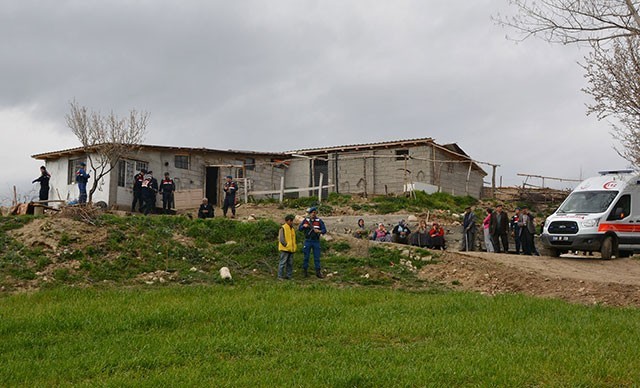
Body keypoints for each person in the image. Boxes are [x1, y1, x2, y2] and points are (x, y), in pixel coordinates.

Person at [298, 206, 327, 278]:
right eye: (312, 212)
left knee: (317, 257)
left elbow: (324, 230)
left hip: (316, 241)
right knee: (306, 257)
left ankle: (318, 272)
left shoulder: (319, 221)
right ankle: (305, 272)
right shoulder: (306, 220)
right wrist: (304, 226)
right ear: (310, 213)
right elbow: (300, 229)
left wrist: (319, 231)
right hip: (308, 240)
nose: (313, 214)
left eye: (315, 212)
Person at [277, 214, 297, 280]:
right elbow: (281, 238)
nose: (292, 222)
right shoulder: (283, 228)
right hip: (285, 249)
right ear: (287, 221)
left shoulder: (292, 229)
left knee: (290, 263)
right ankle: (280, 276)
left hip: (291, 249)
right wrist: (286, 245)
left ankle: (289, 276)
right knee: (282, 263)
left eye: (292, 220)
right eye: (291, 220)